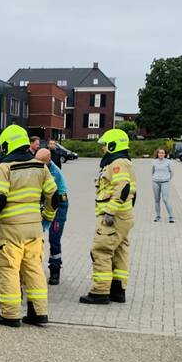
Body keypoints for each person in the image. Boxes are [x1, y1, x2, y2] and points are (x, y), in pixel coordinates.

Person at [0, 124, 57, 327]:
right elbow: (54, 195)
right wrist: (48, 217)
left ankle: (10, 315)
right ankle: (39, 313)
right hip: (34, 229)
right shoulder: (40, 166)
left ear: (8, 145)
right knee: (34, 269)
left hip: (10, 230)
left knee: (8, 269)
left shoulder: (4, 168)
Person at [80, 128, 136, 305]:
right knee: (119, 252)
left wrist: (110, 212)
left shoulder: (117, 163)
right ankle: (118, 290)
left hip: (113, 218)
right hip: (123, 217)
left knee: (101, 250)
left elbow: (123, 188)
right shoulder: (121, 162)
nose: (102, 148)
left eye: (105, 145)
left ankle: (100, 291)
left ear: (113, 145)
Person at [36, 147, 69, 285]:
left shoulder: (54, 172)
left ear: (48, 160)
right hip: (48, 203)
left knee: (54, 238)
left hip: (59, 205)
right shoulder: (41, 167)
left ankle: (55, 270)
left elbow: (50, 195)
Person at [152, 148, 175, 223]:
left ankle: (171, 217)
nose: (161, 154)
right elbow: (152, 172)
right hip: (156, 182)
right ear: (157, 154)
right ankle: (158, 216)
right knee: (156, 200)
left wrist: (168, 179)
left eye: (162, 153)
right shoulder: (154, 162)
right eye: (159, 153)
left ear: (165, 154)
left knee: (165, 199)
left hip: (165, 182)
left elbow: (171, 172)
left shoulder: (168, 162)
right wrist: (155, 178)